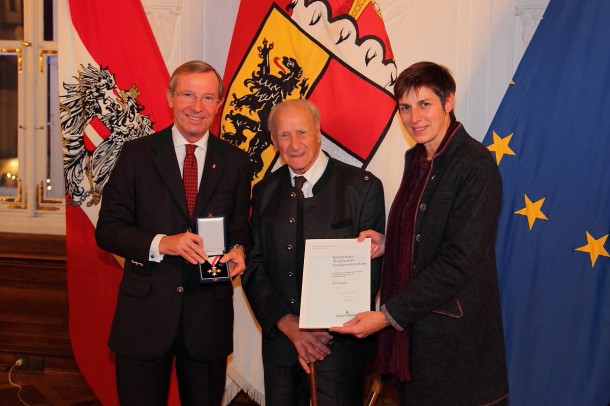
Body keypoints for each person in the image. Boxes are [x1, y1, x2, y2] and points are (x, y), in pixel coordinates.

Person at [331, 62, 509, 405]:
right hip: (417, 340)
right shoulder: (418, 159)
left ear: (449, 102)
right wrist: (388, 243)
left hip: (456, 347)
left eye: (424, 104)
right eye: (405, 107)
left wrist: (385, 317)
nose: (414, 118)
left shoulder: (475, 165)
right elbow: (424, 232)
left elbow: (458, 260)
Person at [95, 60, 251, 405]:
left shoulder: (236, 162)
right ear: (169, 97)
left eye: (208, 97)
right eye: (188, 95)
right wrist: (162, 243)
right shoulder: (136, 155)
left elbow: (240, 226)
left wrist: (239, 250)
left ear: (219, 103)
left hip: (207, 319)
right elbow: (107, 230)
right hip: (145, 317)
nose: (197, 107)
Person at [242, 99, 385, 405]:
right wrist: (288, 324)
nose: (294, 144)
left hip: (338, 348)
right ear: (272, 140)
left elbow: (371, 274)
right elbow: (254, 266)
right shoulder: (264, 191)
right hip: (281, 347)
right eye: (284, 135)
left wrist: (317, 333)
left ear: (319, 132)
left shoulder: (362, 188)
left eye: (302, 132)